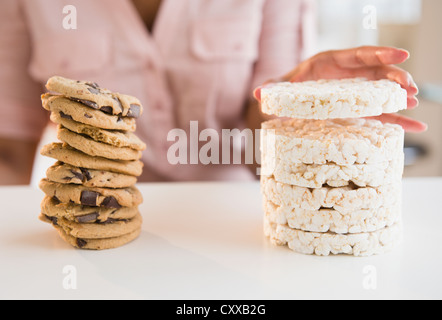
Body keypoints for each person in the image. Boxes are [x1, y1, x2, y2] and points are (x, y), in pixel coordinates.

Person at [0, 0, 425, 185]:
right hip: (94, 221)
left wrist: (297, 100)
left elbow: (261, 144)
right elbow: (11, 152)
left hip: (234, 221)